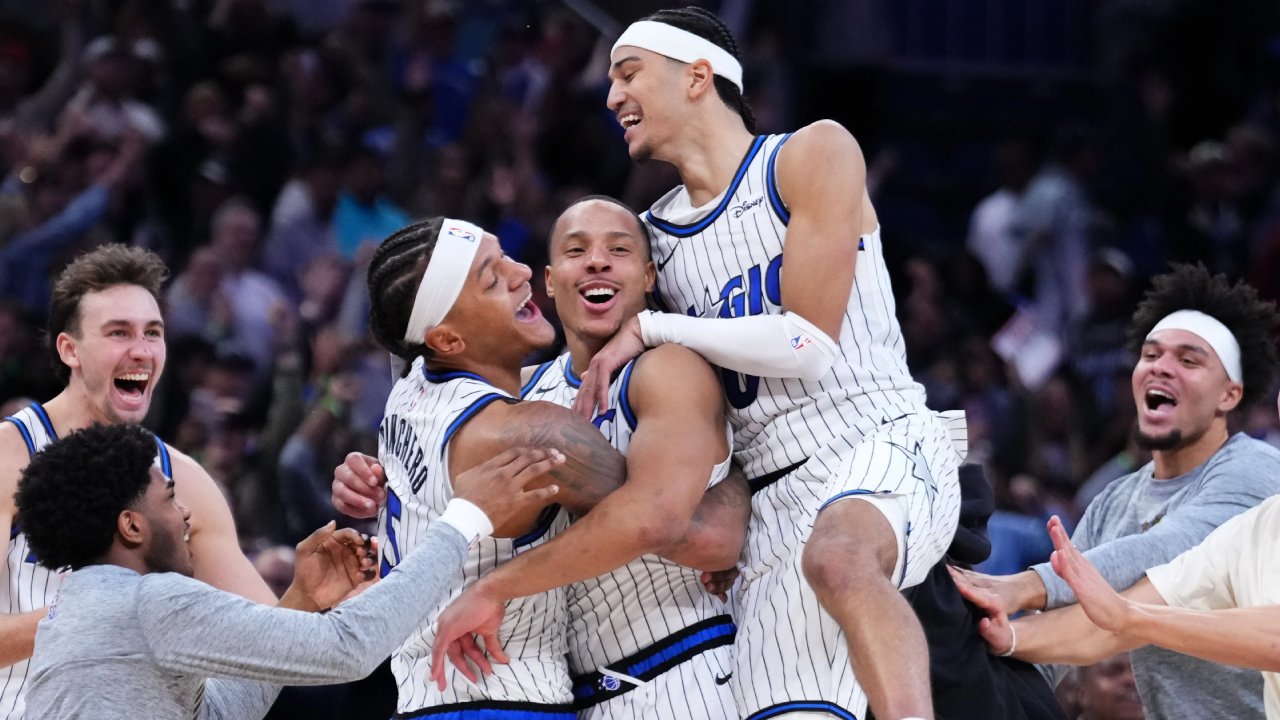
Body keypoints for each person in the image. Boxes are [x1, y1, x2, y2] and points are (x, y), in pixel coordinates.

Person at [576, 8, 963, 719]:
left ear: (697, 77)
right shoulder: (653, 240)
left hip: (875, 442)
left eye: (627, 73)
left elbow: (807, 344)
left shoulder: (811, 153)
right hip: (772, 505)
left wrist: (657, 326)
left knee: (840, 558)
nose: (611, 97)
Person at [354, 216, 747, 720]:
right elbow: (703, 534)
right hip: (500, 699)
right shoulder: (528, 432)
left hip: (425, 700)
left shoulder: (408, 391)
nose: (519, 273)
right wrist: (740, 454)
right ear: (447, 340)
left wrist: (367, 477)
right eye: (492, 280)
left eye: (506, 257)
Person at [19, 422, 562, 719]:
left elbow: (221, 715)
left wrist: (300, 600)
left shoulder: (71, 617)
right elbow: (348, 650)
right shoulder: (148, 602)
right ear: (131, 527)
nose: (185, 513)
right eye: (169, 498)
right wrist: (464, 518)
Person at [953, 263, 1280, 719]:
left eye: (1188, 360)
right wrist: (974, 642)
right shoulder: (1114, 500)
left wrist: (1020, 587)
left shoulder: (1259, 472)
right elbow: (1076, 636)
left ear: (1229, 394)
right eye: (1151, 355)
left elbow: (1167, 552)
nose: (1161, 368)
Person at [0, 244, 277, 719]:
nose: (141, 350)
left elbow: (270, 640)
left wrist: (328, 592)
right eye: (118, 333)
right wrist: (96, 614)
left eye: (153, 332)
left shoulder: (182, 480)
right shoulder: (8, 457)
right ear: (70, 349)